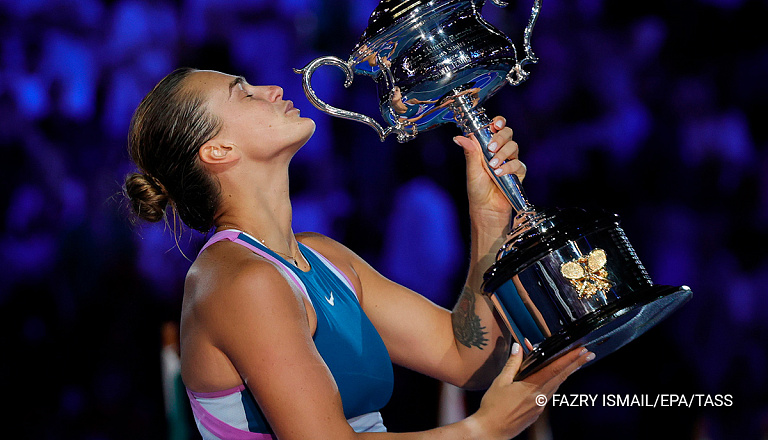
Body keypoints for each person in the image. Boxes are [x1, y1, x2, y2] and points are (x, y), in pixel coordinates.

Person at [124, 68, 594, 440]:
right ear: (219, 150)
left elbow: (463, 356)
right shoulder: (237, 281)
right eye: (243, 92)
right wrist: (481, 431)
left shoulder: (322, 255)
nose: (270, 88)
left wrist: (489, 221)